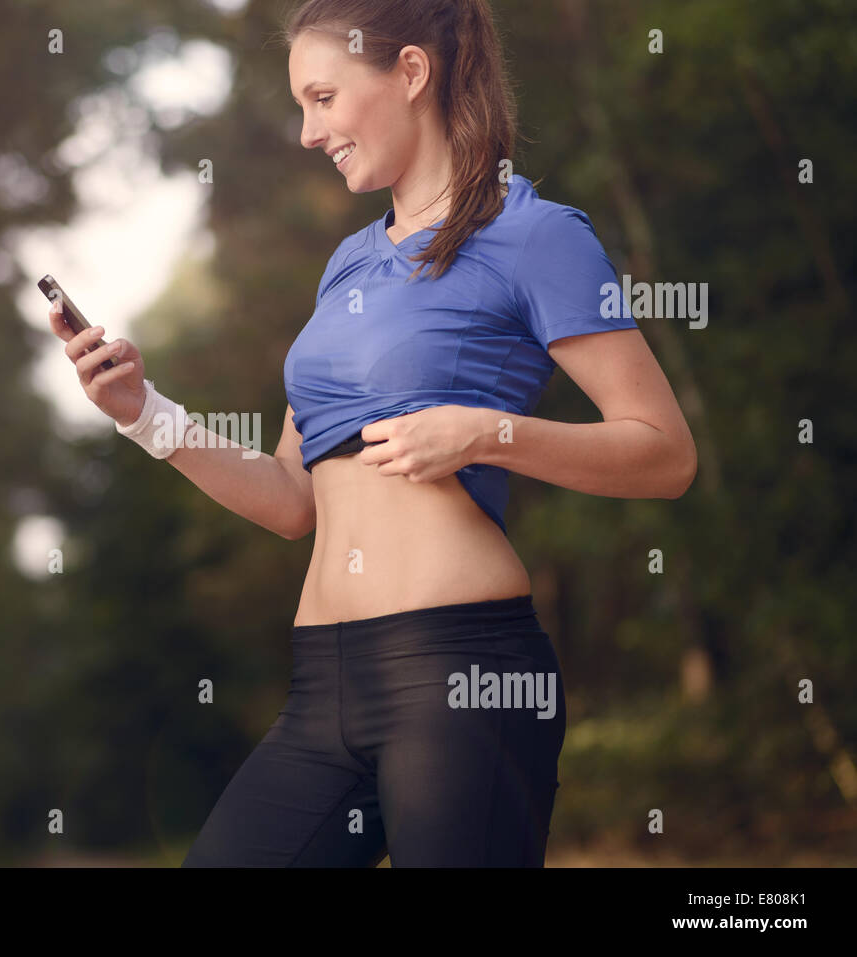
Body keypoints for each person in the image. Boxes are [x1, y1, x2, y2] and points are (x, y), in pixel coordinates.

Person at [47, 0, 696, 866]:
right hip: (323, 683)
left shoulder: (534, 234)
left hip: (463, 671)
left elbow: (663, 450)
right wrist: (144, 413)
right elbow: (292, 500)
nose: (309, 131)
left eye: (323, 97)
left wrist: (486, 433)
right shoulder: (348, 263)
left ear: (412, 73)